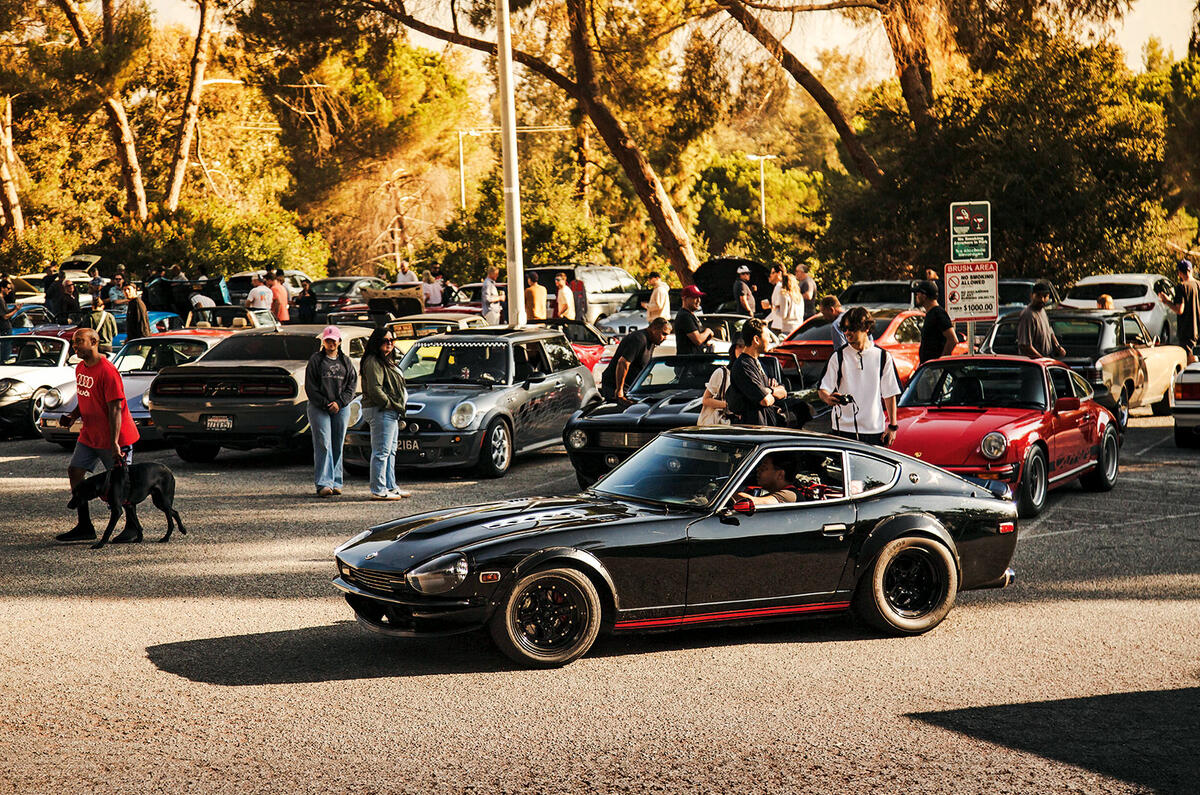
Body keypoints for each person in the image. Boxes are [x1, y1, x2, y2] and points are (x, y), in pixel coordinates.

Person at [53, 328, 140, 544]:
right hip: (90, 434)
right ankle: (85, 526)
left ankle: (132, 527)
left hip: (115, 438)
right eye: (74, 343)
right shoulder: (81, 368)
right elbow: (86, 397)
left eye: (79, 342)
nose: (75, 346)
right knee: (75, 471)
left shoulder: (108, 371)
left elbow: (115, 409)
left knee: (121, 483)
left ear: (94, 342)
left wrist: (114, 443)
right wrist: (72, 416)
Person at [818, 306, 901, 446]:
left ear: (866, 328)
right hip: (842, 429)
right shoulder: (838, 356)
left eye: (852, 328)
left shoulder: (882, 356)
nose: (847, 333)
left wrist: (893, 426)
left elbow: (890, 393)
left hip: (874, 430)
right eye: (844, 329)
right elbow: (822, 388)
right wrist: (828, 398)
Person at [305, 326, 358, 497]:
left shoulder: (346, 362)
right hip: (319, 407)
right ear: (324, 342)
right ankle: (323, 483)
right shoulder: (316, 360)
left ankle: (336, 481)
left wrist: (340, 402)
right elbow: (310, 387)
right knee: (323, 443)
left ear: (339, 341)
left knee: (337, 443)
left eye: (334, 340)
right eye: (328, 340)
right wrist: (326, 403)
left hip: (341, 407)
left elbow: (351, 385)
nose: (331, 343)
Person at [360, 327, 411, 500]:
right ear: (376, 342)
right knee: (381, 451)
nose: (389, 343)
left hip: (391, 411)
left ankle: (391, 486)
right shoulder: (373, 361)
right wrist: (390, 404)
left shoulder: (387, 361)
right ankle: (379, 490)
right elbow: (375, 389)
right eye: (385, 340)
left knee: (391, 451)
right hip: (381, 410)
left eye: (392, 340)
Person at [725, 318, 788, 426]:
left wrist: (769, 390)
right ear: (756, 340)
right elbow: (765, 400)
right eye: (767, 337)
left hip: (768, 427)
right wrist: (773, 392)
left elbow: (783, 391)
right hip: (754, 431)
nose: (770, 341)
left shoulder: (760, 363)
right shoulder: (743, 365)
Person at [601, 317, 671, 403]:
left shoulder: (652, 341)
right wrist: (619, 390)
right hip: (616, 387)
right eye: (664, 334)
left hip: (631, 388)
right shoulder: (639, 339)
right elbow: (623, 363)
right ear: (653, 328)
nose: (665, 338)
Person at [1159, 258, 1200, 364]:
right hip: (1198, 329)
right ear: (1190, 270)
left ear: (1179, 273)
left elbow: (1179, 309)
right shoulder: (1198, 285)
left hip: (1187, 331)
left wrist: (1166, 301)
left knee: (1191, 361)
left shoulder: (1182, 287)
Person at [698, 338, 746, 426]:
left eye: (745, 347)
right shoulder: (722, 373)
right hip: (720, 425)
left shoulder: (752, 374)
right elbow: (706, 400)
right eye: (739, 346)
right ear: (733, 349)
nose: (742, 350)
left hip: (742, 425)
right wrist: (728, 405)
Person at [1017, 281, 1066, 359]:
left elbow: (1049, 330)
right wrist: (1042, 360)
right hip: (1033, 365)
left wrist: (1058, 346)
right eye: (1038, 296)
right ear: (1031, 296)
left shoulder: (1042, 310)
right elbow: (1025, 346)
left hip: (1045, 359)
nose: (1042, 299)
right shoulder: (1028, 315)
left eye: (1045, 296)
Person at [912, 280, 956, 363]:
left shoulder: (938, 313)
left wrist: (940, 363)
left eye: (918, 293)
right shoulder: (930, 314)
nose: (916, 296)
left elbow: (953, 339)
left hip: (934, 369)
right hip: (928, 366)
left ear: (924, 296)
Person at [735, 454, 801, 506]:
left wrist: (728, 494)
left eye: (764, 468)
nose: (758, 470)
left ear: (780, 474)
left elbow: (752, 502)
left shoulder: (789, 495)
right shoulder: (776, 493)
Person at [674, 285, 712, 355]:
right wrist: (708, 331)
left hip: (695, 362)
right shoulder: (684, 316)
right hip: (688, 363)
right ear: (684, 298)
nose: (698, 300)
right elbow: (698, 340)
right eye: (695, 297)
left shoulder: (690, 315)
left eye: (699, 297)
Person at [762, 264, 784, 332]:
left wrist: (768, 306)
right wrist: (767, 319)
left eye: (773, 273)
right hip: (780, 325)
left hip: (778, 326)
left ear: (779, 273)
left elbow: (779, 307)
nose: (770, 275)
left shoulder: (779, 287)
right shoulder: (781, 286)